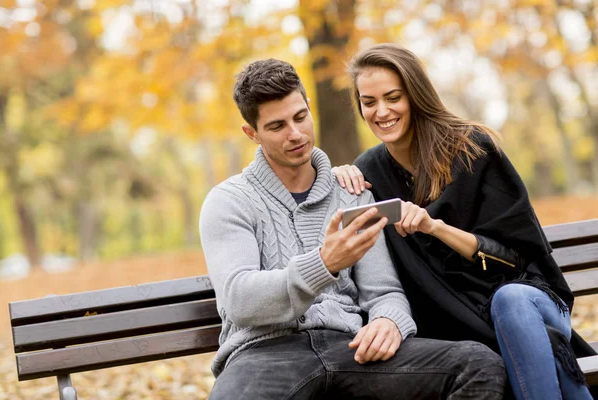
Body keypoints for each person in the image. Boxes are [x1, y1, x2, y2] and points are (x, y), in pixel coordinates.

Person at [199, 58, 507, 399]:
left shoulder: (352, 193)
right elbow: (240, 300)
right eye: (277, 126)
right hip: (263, 355)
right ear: (252, 133)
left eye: (300, 117)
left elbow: (384, 292)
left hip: (350, 349)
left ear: (309, 108)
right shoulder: (228, 202)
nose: (296, 134)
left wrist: (389, 321)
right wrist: (324, 264)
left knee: (477, 365)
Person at [332, 43, 596, 400]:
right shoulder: (369, 172)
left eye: (393, 97)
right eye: (369, 102)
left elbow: (517, 258)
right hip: (451, 320)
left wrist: (434, 227)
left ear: (415, 94)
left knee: (511, 300)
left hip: (528, 303)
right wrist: (336, 174)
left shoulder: (471, 148)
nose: (381, 111)